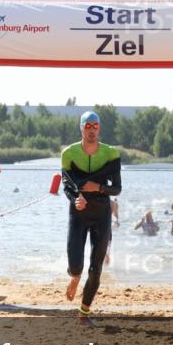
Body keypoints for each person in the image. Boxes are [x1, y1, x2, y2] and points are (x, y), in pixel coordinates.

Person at [61, 111, 122, 324]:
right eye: (88, 125)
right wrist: (76, 198)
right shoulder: (69, 154)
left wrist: (98, 187)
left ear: (100, 128)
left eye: (95, 125)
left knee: (96, 268)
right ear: (81, 128)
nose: (92, 129)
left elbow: (117, 189)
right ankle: (75, 278)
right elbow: (67, 185)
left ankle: (84, 313)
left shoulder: (111, 154)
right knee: (76, 266)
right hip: (78, 213)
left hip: (101, 214)